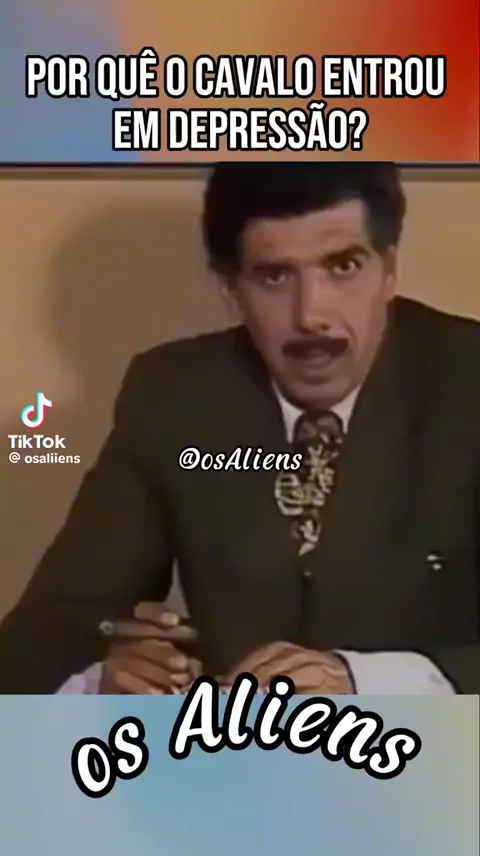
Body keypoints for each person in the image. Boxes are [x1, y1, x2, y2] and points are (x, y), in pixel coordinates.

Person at [1, 162, 479, 695]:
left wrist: (368, 682)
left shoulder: (468, 379)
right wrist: (103, 676)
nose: (310, 315)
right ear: (231, 290)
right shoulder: (173, 395)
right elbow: (53, 627)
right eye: (274, 276)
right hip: (231, 741)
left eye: (343, 266)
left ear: (388, 270)